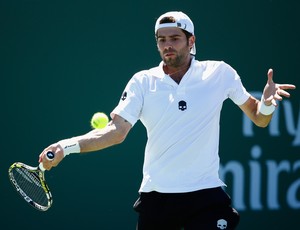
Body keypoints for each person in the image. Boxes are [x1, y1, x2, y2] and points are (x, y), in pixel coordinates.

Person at [39, 11, 296, 230]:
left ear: (191, 41)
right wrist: (66, 146)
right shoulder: (142, 81)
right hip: (157, 198)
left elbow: (259, 119)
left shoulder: (219, 73)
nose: (167, 45)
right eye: (161, 40)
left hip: (205, 195)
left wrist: (265, 104)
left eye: (174, 38)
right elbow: (115, 132)